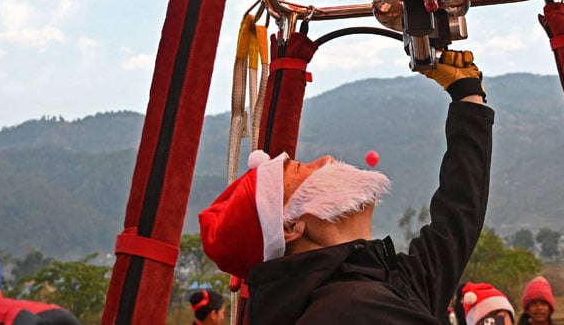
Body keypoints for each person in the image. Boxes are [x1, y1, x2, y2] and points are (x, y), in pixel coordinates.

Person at [199, 49, 491, 323]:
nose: (325, 159)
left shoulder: (373, 282)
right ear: (291, 227)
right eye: (302, 168)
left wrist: (467, 95)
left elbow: (457, 216)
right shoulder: (347, 311)